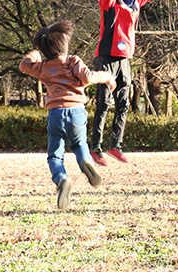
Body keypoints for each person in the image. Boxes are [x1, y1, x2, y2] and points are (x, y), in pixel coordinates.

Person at [91, 0, 172, 166]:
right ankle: (96, 147)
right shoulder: (110, 2)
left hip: (125, 59)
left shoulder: (136, 3)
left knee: (124, 103)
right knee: (104, 102)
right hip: (106, 58)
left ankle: (115, 144)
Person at [19, 21, 116, 209]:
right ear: (65, 45)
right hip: (77, 112)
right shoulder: (73, 61)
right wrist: (107, 76)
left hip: (55, 114)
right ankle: (86, 162)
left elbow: (24, 65)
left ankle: (62, 179)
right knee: (79, 145)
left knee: (55, 155)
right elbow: (88, 78)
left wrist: (34, 54)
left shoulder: (43, 67)